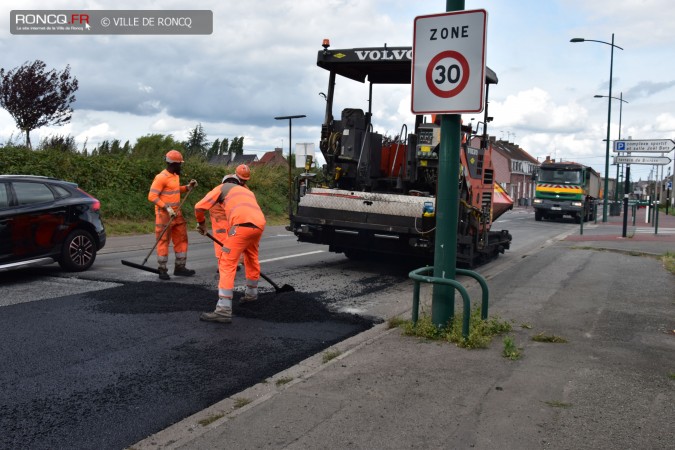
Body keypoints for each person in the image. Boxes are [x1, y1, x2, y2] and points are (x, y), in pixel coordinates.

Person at [195, 170, 266, 323]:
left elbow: (199, 207)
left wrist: (201, 224)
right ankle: (251, 295)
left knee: (226, 262)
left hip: (241, 225)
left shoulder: (222, 188)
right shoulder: (247, 192)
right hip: (259, 225)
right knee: (251, 257)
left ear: (224, 182)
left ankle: (223, 310)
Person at [148, 149, 198, 280]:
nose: (180, 166)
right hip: (164, 215)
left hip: (177, 213)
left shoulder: (175, 176)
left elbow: (174, 190)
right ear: (173, 164)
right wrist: (166, 208)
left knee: (181, 239)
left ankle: (180, 267)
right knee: (163, 241)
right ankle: (162, 269)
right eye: (179, 164)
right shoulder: (161, 177)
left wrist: (187, 187)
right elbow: (152, 196)